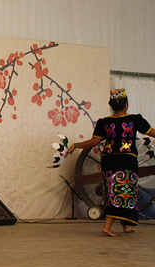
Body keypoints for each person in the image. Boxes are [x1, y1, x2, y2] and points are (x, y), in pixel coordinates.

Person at [65, 89, 155, 237]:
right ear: (126, 105)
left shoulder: (104, 122)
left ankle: (127, 226)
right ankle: (107, 226)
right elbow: (152, 132)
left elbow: (93, 142)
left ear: (112, 106)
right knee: (123, 191)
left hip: (109, 160)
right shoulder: (135, 120)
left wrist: (76, 145)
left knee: (114, 191)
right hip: (126, 160)